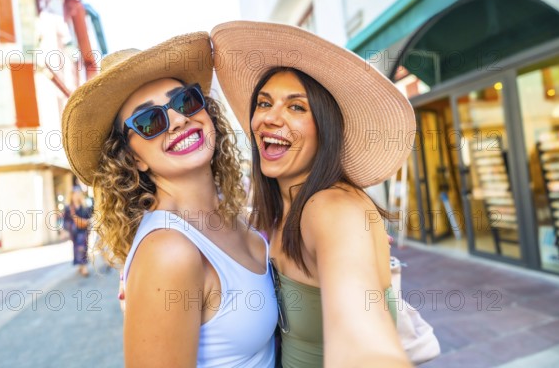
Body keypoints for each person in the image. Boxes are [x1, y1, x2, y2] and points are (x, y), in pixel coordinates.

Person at [62, 33, 277, 367]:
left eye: (185, 102)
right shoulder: (168, 252)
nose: (178, 120)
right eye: (150, 121)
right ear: (133, 159)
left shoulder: (229, 215)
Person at [212, 21, 416, 368]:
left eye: (296, 107)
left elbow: (364, 339)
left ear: (326, 129)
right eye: (264, 103)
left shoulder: (332, 208)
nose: (270, 118)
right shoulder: (275, 214)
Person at [63, 185, 92, 276]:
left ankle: (83, 266)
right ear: (71, 195)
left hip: (83, 231)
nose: (76, 195)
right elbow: (66, 221)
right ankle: (82, 266)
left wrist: (87, 223)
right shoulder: (68, 208)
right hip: (74, 232)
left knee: (83, 248)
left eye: (78, 194)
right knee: (77, 248)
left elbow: (89, 218)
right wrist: (67, 230)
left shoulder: (84, 206)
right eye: (74, 194)